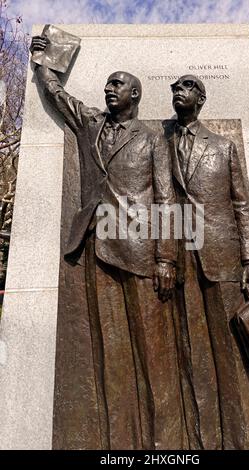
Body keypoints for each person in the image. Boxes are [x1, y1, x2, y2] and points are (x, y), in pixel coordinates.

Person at [29, 36, 188, 450]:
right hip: (97, 249)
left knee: (155, 360)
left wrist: (166, 258)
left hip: (140, 251)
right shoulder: (91, 123)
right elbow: (58, 95)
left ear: (135, 94)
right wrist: (45, 59)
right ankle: (119, 445)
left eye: (117, 84)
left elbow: (166, 200)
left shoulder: (152, 137)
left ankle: (167, 447)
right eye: (106, 84)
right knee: (112, 359)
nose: (108, 89)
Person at [165, 74, 249, 449]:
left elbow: (242, 206)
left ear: (200, 98)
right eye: (174, 88)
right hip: (181, 265)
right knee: (194, 357)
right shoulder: (159, 144)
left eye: (185, 87)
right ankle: (203, 442)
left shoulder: (223, 147)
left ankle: (242, 439)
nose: (176, 92)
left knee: (233, 356)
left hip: (223, 261)